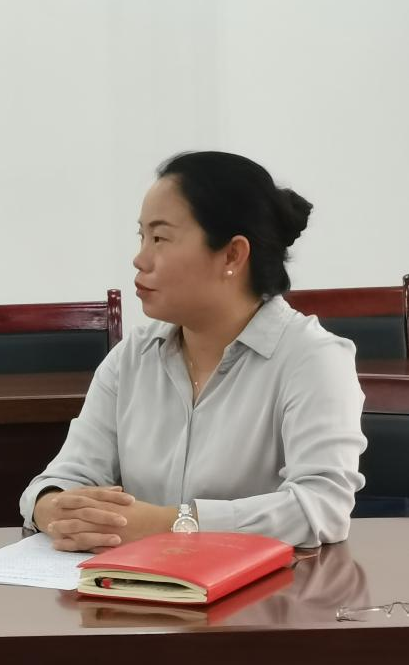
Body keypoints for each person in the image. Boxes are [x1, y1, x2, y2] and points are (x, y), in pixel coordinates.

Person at [21, 151, 365, 549]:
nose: (140, 258)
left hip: (271, 587)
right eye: (142, 237)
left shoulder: (313, 359)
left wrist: (172, 523)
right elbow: (67, 476)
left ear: (232, 254)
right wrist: (51, 507)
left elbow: (321, 507)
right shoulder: (133, 357)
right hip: (139, 582)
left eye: (160, 238)